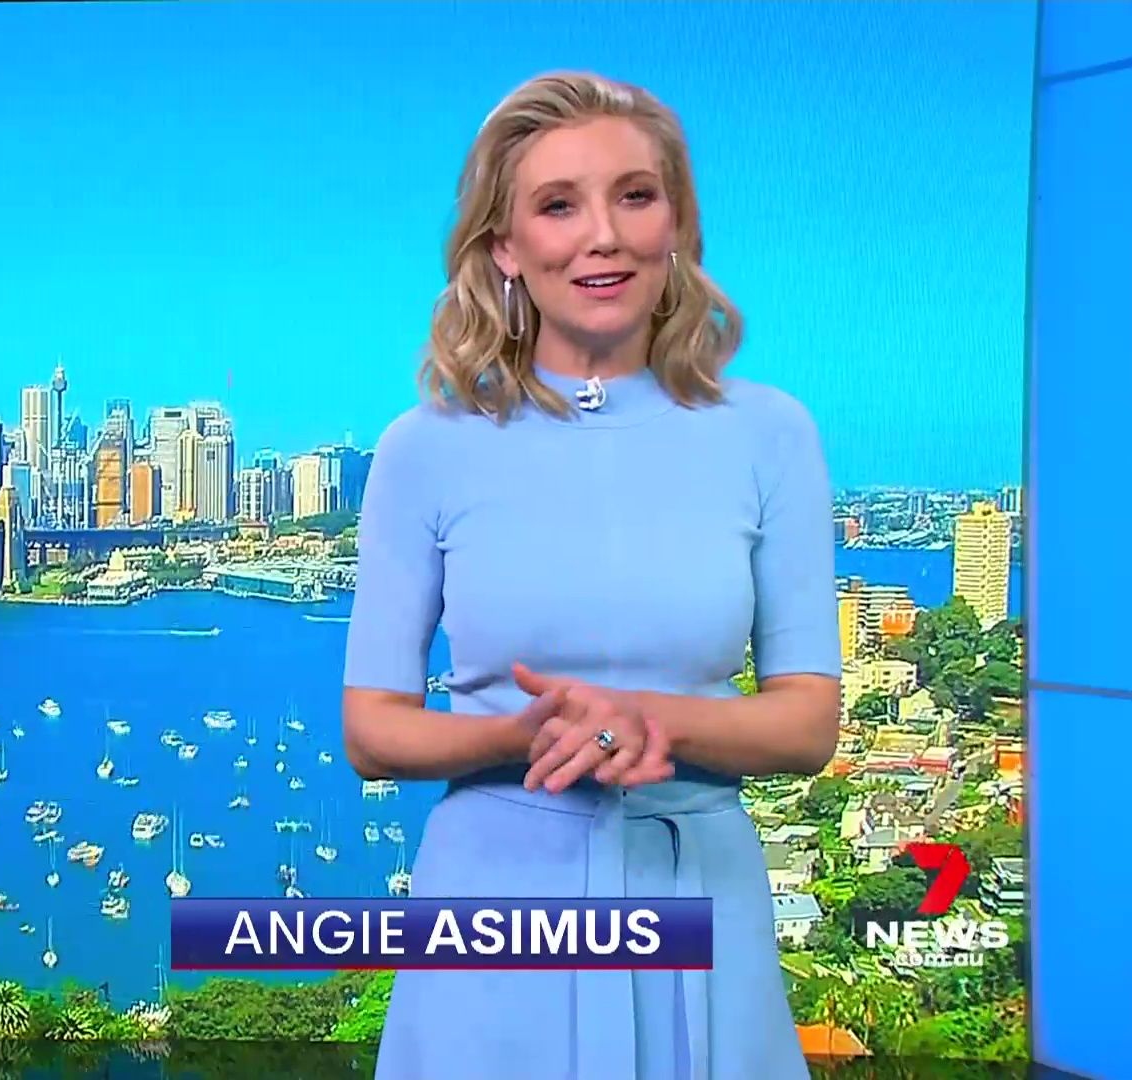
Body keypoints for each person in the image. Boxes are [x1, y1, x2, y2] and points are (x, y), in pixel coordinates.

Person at [341, 71, 843, 1080]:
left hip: (701, 896)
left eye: (634, 196)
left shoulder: (773, 435)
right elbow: (372, 730)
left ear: (677, 224)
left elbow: (807, 724)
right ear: (504, 246)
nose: (602, 237)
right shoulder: (423, 449)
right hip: (492, 905)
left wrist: (648, 721)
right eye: (558, 205)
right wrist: (524, 737)